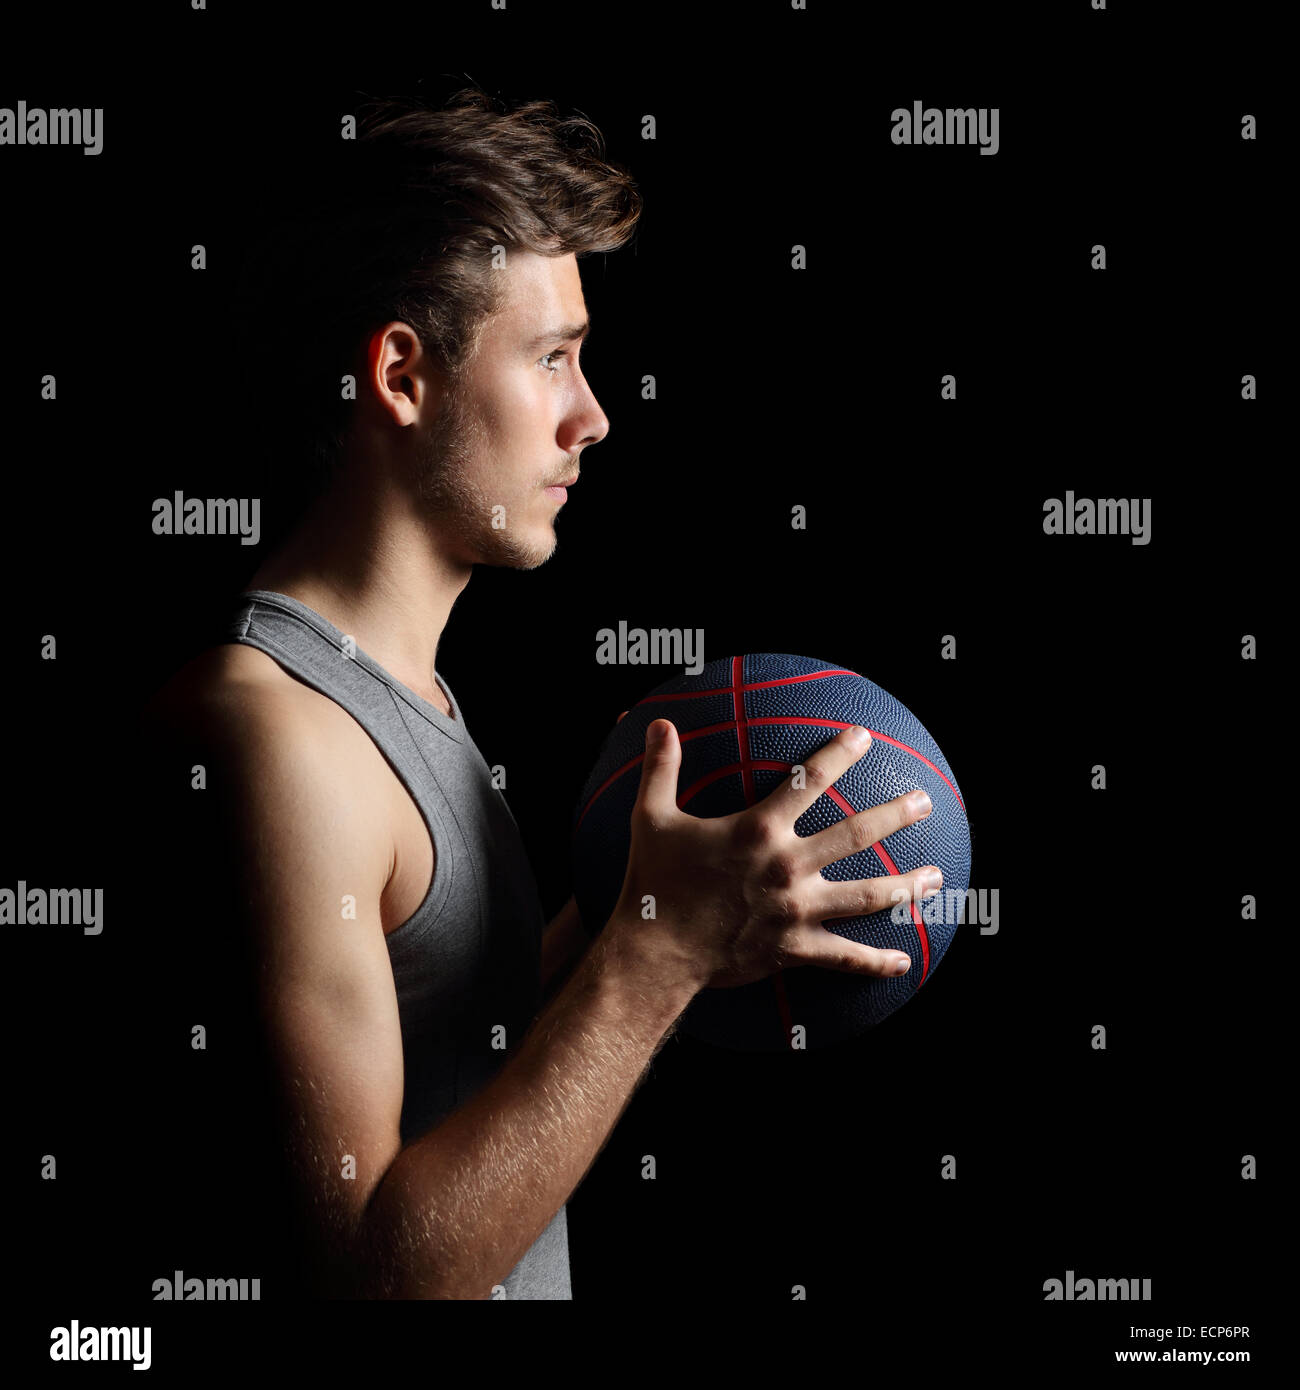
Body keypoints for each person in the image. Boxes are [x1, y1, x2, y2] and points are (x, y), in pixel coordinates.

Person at [142, 87, 940, 1300]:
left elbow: (467, 1057)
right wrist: (652, 961)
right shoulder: (275, 733)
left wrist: (653, 914)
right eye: (553, 357)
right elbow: (372, 1276)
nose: (594, 416)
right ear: (402, 375)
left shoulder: (400, 698)